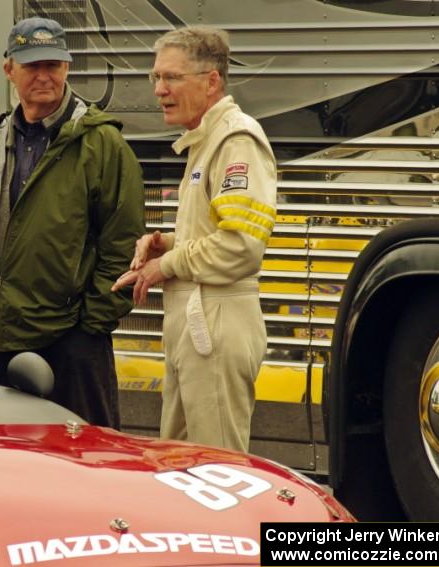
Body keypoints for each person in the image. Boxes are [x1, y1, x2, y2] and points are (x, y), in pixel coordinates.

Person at [0, 17, 145, 428]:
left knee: (85, 469)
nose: (43, 76)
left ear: (67, 68)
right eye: (31, 66)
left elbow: (123, 243)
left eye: (52, 65)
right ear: (9, 70)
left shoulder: (100, 143)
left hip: (70, 346)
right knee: (2, 465)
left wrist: (88, 328)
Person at [113, 26, 277, 452]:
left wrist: (165, 265)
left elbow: (241, 245)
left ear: (211, 81)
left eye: (171, 78)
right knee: (182, 465)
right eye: (155, 78)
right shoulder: (206, 142)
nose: (159, 90)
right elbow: (214, 235)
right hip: (198, 326)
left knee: (217, 470)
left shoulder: (235, 140)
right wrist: (167, 243)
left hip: (216, 327)